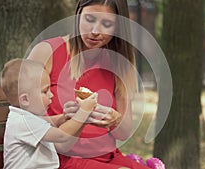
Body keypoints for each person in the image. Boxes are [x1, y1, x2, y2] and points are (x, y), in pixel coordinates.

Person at [28, 0, 152, 168]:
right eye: (89, 19)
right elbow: (25, 121)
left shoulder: (118, 64)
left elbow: (124, 133)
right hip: (61, 159)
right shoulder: (47, 52)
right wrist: (65, 118)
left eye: (107, 24)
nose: (95, 31)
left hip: (107, 157)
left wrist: (115, 120)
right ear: (78, 15)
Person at [0, 58, 98, 169]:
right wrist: (83, 112)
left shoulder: (27, 117)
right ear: (25, 100)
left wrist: (71, 118)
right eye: (45, 91)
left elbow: (57, 133)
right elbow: (62, 135)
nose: (51, 95)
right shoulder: (23, 122)